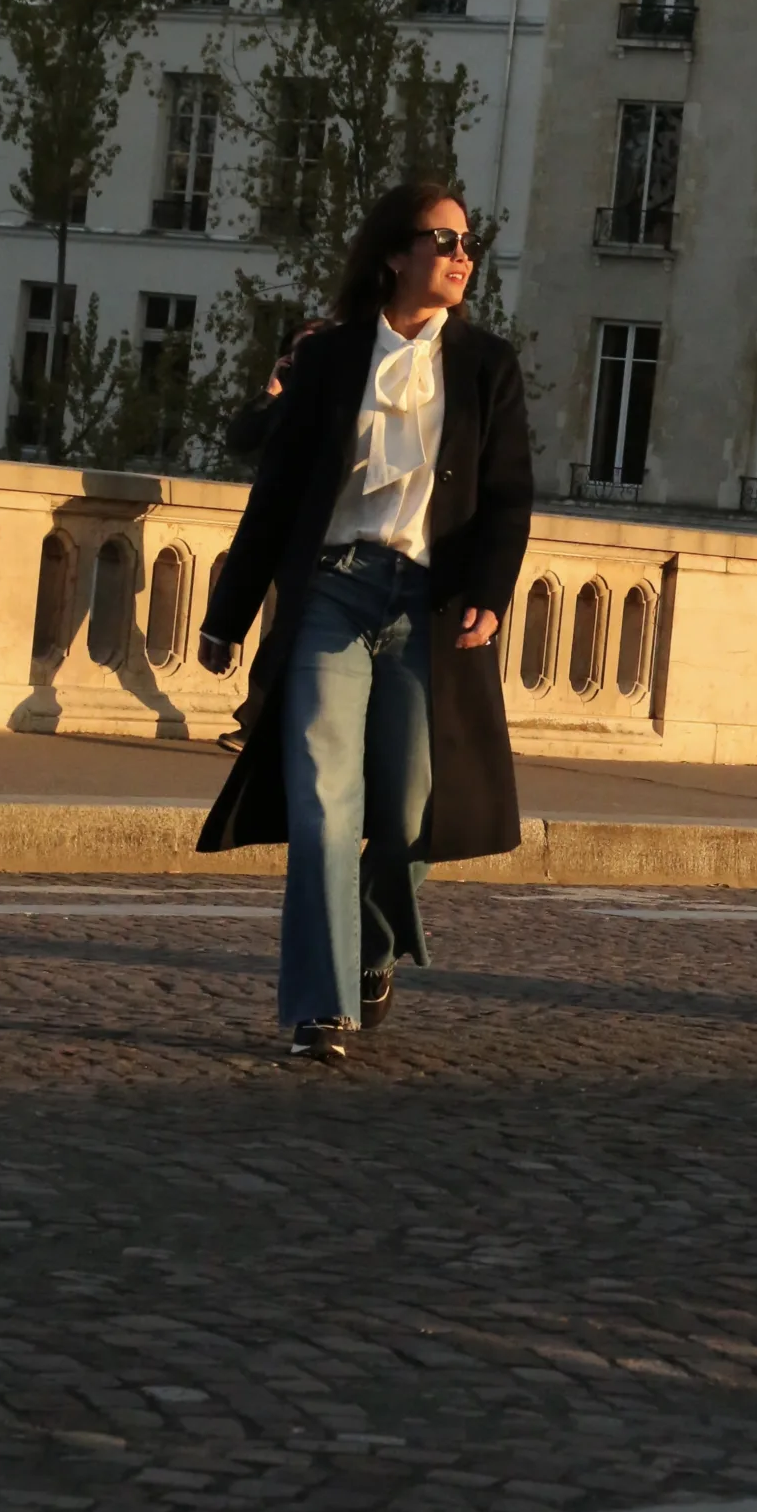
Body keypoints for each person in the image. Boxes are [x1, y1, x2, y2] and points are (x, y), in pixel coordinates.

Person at [195, 181, 532, 1061]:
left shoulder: (488, 365)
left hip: (425, 602)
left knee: (414, 811)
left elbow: (506, 499)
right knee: (322, 804)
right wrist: (229, 614)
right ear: (394, 254)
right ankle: (321, 1006)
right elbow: (277, 492)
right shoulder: (332, 358)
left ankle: (374, 947)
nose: (463, 257)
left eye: (469, 243)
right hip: (333, 592)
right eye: (443, 239)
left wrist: (490, 595)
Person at [215, 323, 327, 751]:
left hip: (325, 533)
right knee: (289, 626)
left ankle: (259, 720)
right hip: (286, 533)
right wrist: (271, 390)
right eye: (300, 353)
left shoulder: (339, 402)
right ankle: (257, 720)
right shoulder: (285, 401)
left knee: (295, 628)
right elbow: (240, 438)